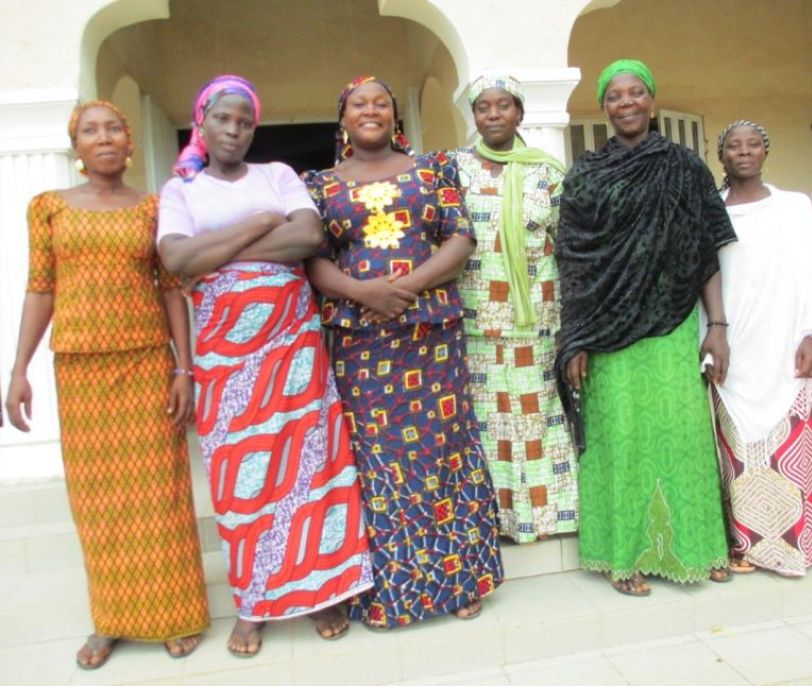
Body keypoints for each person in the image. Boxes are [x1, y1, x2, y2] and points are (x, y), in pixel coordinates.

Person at [157, 75, 372, 656]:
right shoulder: (179, 192)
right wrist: (258, 224)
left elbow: (306, 236)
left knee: (312, 468)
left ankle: (324, 590)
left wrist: (218, 250)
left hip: (293, 349)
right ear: (201, 122)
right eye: (223, 119)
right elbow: (175, 257)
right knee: (241, 483)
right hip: (226, 359)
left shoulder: (278, 176)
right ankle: (254, 605)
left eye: (245, 121)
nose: (234, 130)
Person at [5, 101, 210, 669]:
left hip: (146, 363)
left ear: (129, 141)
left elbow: (172, 289)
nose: (104, 138)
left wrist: (183, 369)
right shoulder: (47, 208)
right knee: (98, 502)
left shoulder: (153, 208)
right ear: (76, 145)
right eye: (90, 130)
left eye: (114, 128)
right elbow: (40, 288)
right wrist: (18, 368)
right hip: (79, 367)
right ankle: (111, 620)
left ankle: (174, 614)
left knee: (159, 497)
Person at [303, 75, 503, 628]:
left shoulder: (433, 171)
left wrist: (403, 288)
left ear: (396, 117)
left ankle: (461, 578)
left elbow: (460, 238)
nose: (370, 110)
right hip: (360, 343)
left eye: (381, 103)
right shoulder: (317, 184)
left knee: (444, 451)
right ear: (341, 118)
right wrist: (364, 292)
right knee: (376, 462)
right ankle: (386, 589)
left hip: (431, 337)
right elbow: (313, 258)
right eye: (358, 104)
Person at [555, 59, 736, 596]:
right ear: (604, 107)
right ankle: (623, 556)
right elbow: (574, 262)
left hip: (673, 324)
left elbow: (705, 253)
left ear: (652, 101)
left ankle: (698, 547)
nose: (626, 103)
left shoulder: (685, 166)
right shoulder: (585, 175)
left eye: (636, 93)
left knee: (683, 437)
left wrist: (717, 324)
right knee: (621, 440)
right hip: (609, 333)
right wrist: (578, 337)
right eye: (615, 96)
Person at [450, 74, 578, 544]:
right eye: (483, 107)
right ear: (474, 116)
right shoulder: (454, 169)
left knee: (537, 413)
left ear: (519, 113)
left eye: (503, 105)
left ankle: (552, 516)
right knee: (490, 420)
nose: (494, 114)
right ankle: (499, 520)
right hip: (477, 316)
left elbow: (568, 245)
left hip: (537, 317)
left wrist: (571, 321)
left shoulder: (547, 171)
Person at [712, 120, 812, 576]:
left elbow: (810, 271)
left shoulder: (794, 207)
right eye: (733, 146)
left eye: (752, 145)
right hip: (735, 346)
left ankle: (795, 548)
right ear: (720, 155)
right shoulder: (712, 209)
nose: (743, 152)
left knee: (792, 444)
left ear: (766, 152)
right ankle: (746, 546)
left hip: (786, 342)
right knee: (738, 452)